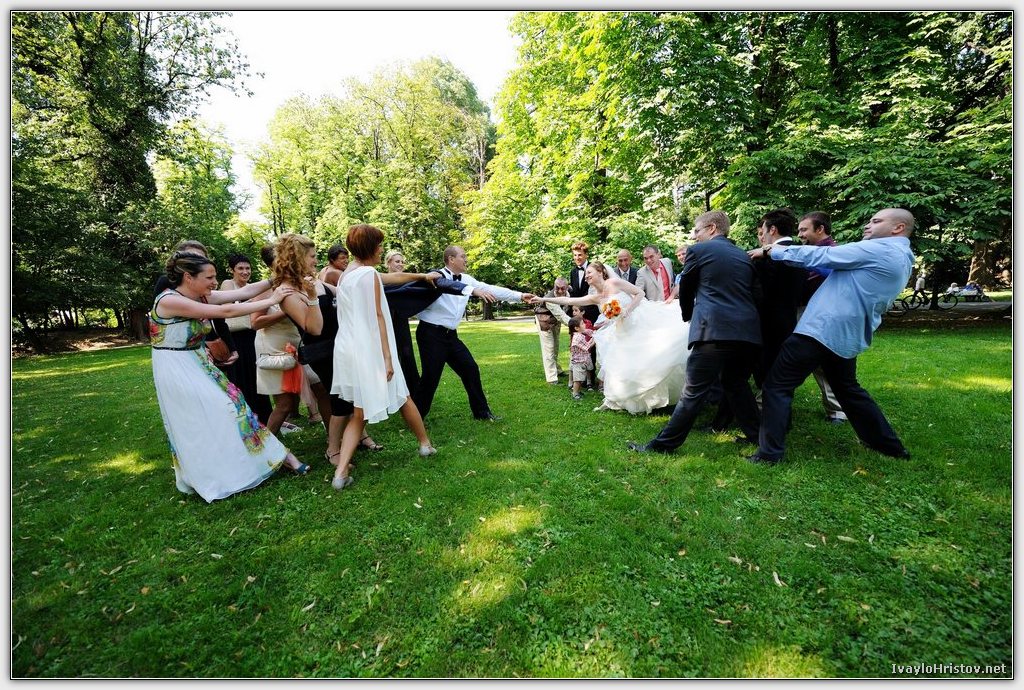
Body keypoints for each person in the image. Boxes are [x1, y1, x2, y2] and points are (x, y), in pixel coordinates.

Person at [747, 208, 916, 465]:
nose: (868, 225)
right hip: (844, 334)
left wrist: (771, 251)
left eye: (876, 221)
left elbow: (823, 255)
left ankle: (769, 454)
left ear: (898, 228)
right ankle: (888, 446)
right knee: (847, 390)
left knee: (776, 385)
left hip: (821, 330)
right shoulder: (902, 255)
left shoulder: (880, 249)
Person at [151, 251, 310, 502]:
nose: (214, 282)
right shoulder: (169, 301)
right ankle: (215, 473)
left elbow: (244, 292)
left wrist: (276, 279)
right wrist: (273, 298)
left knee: (235, 406)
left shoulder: (200, 294)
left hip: (198, 362)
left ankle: (273, 458)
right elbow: (226, 310)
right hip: (176, 367)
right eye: (209, 277)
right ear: (188, 277)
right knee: (208, 415)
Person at [627, 211, 761, 453]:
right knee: (736, 384)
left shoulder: (698, 251)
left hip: (712, 330)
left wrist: (688, 316)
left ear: (712, 228)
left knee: (693, 390)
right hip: (747, 332)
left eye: (697, 230)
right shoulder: (743, 255)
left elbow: (686, 287)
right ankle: (759, 438)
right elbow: (755, 293)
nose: (694, 236)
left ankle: (663, 445)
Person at [331, 224, 439, 490]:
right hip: (371, 350)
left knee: (362, 410)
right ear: (371, 247)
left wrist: (422, 276)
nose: (381, 249)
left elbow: (392, 279)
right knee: (397, 396)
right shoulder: (367, 274)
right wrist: (388, 359)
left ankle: (341, 473)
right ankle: (425, 445)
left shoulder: (348, 274)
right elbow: (379, 315)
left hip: (349, 349)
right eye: (379, 245)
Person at [531, 261, 688, 414]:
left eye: (589, 272)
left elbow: (640, 293)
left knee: (648, 359)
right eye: (586, 274)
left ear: (600, 272)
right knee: (624, 364)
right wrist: (544, 299)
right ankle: (626, 399)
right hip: (621, 332)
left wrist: (627, 310)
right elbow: (568, 300)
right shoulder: (596, 297)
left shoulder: (614, 283)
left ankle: (652, 397)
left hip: (638, 323)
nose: (586, 276)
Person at [413, 245, 535, 421]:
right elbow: (446, 285)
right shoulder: (436, 276)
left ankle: (482, 413)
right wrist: (472, 290)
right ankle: (416, 418)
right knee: (430, 378)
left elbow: (490, 289)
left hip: (450, 336)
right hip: (431, 335)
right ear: (451, 259)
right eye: (463, 256)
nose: (466, 259)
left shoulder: (467, 279)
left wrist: (519, 295)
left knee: (470, 368)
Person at [251, 234, 333, 440]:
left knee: (321, 388)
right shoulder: (269, 289)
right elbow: (255, 323)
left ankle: (333, 435)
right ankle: (265, 446)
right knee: (285, 403)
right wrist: (285, 312)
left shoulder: (304, 282)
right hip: (275, 346)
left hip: (298, 341)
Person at [747, 208, 807, 394]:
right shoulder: (801, 252)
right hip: (789, 319)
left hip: (766, 323)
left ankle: (769, 404)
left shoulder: (764, 258)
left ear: (772, 229)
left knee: (766, 369)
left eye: (764, 230)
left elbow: (760, 292)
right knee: (781, 369)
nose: (762, 235)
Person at [154, 240, 240, 370]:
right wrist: (201, 346)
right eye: (192, 257)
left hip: (211, 346)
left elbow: (219, 319)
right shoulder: (166, 285)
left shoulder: (205, 284)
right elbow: (163, 325)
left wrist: (231, 347)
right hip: (184, 352)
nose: (197, 262)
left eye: (201, 258)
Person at [796, 211, 848, 424]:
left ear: (820, 229)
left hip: (820, 315)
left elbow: (831, 275)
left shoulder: (833, 253)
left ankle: (837, 410)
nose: (800, 234)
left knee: (823, 362)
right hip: (805, 311)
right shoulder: (810, 251)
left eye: (804, 229)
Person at [219, 252, 274, 425]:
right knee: (240, 379)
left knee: (256, 378)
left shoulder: (252, 287)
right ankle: (247, 420)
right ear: (232, 270)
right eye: (240, 268)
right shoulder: (228, 284)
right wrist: (254, 302)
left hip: (252, 336)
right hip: (235, 338)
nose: (245, 272)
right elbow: (228, 308)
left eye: (248, 268)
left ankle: (264, 419)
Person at [534, 277, 572, 384]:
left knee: (556, 346)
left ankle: (557, 369)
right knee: (549, 348)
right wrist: (575, 325)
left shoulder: (568, 294)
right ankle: (551, 378)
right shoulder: (549, 298)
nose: (560, 291)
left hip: (555, 321)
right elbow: (561, 315)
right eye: (557, 288)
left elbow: (565, 309)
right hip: (544, 321)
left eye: (562, 288)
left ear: (567, 287)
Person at [567, 316, 596, 400]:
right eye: (582, 324)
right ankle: (575, 394)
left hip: (581, 361)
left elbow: (588, 332)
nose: (585, 325)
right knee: (577, 380)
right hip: (578, 363)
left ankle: (578, 391)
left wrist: (592, 333)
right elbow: (587, 347)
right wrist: (594, 339)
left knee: (580, 379)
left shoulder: (579, 334)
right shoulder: (578, 337)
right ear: (576, 328)